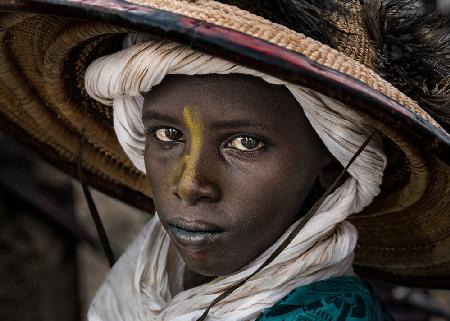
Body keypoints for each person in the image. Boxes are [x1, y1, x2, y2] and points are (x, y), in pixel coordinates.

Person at [0, 0, 448, 320]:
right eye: (168, 134)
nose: (190, 185)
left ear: (333, 160)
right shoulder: (149, 277)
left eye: (245, 144)